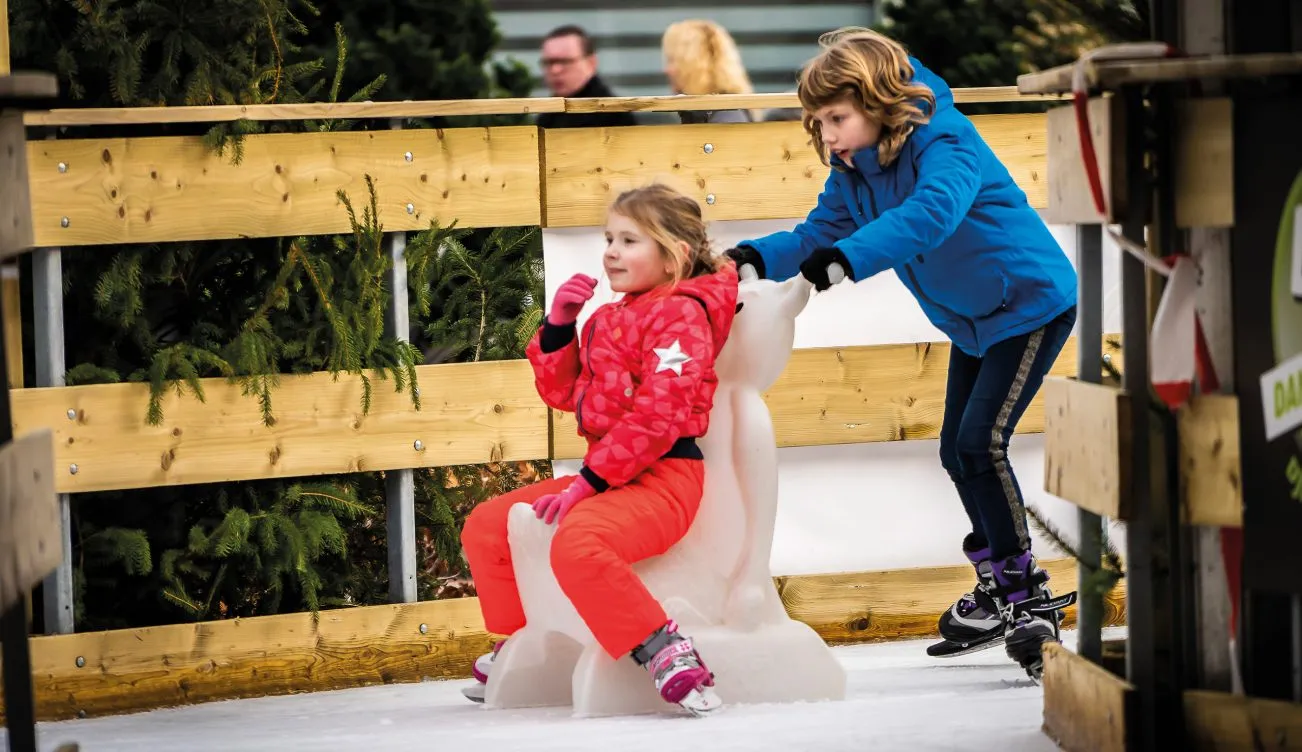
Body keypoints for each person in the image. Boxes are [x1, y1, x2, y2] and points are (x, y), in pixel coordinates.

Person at [724, 27, 1079, 679]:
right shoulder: (855, 169)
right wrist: (752, 257)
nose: (827, 135)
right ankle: (999, 582)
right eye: (818, 122)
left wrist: (849, 261)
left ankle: (1025, 597)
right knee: (957, 449)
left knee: (980, 444)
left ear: (877, 102)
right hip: (975, 321)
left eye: (836, 118)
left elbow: (932, 213)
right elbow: (820, 232)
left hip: (1029, 304)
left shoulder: (946, 140)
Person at [460, 183, 740, 715]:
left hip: (665, 479)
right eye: (609, 237)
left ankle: (664, 649)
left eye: (630, 240)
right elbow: (564, 393)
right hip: (610, 474)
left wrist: (589, 484)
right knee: (489, 526)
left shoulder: (683, 315)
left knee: (577, 543)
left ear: (674, 254)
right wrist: (560, 326)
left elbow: (660, 417)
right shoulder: (608, 318)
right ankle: (523, 643)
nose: (610, 250)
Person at [535, 25, 638, 129]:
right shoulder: (548, 115)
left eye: (565, 61)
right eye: (548, 62)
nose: (555, 70)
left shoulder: (613, 114)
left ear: (591, 62)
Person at [660, 20, 757, 124]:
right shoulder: (722, 112)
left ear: (693, 65)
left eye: (672, 60)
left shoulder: (726, 117)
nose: (666, 70)